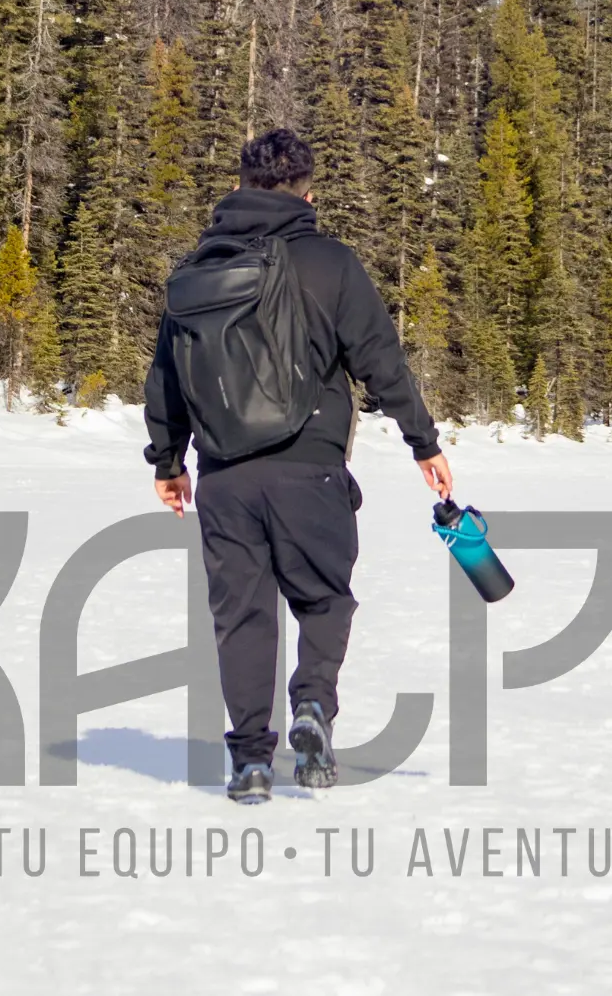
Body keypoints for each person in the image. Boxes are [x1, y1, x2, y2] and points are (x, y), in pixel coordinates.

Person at [144, 127, 452, 804]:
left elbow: (164, 378)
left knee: (242, 618)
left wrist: (167, 461)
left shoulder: (195, 271)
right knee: (324, 597)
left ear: (237, 189)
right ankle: (312, 706)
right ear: (307, 192)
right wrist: (421, 441)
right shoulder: (329, 262)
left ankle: (251, 760)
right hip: (308, 466)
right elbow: (379, 359)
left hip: (222, 473)